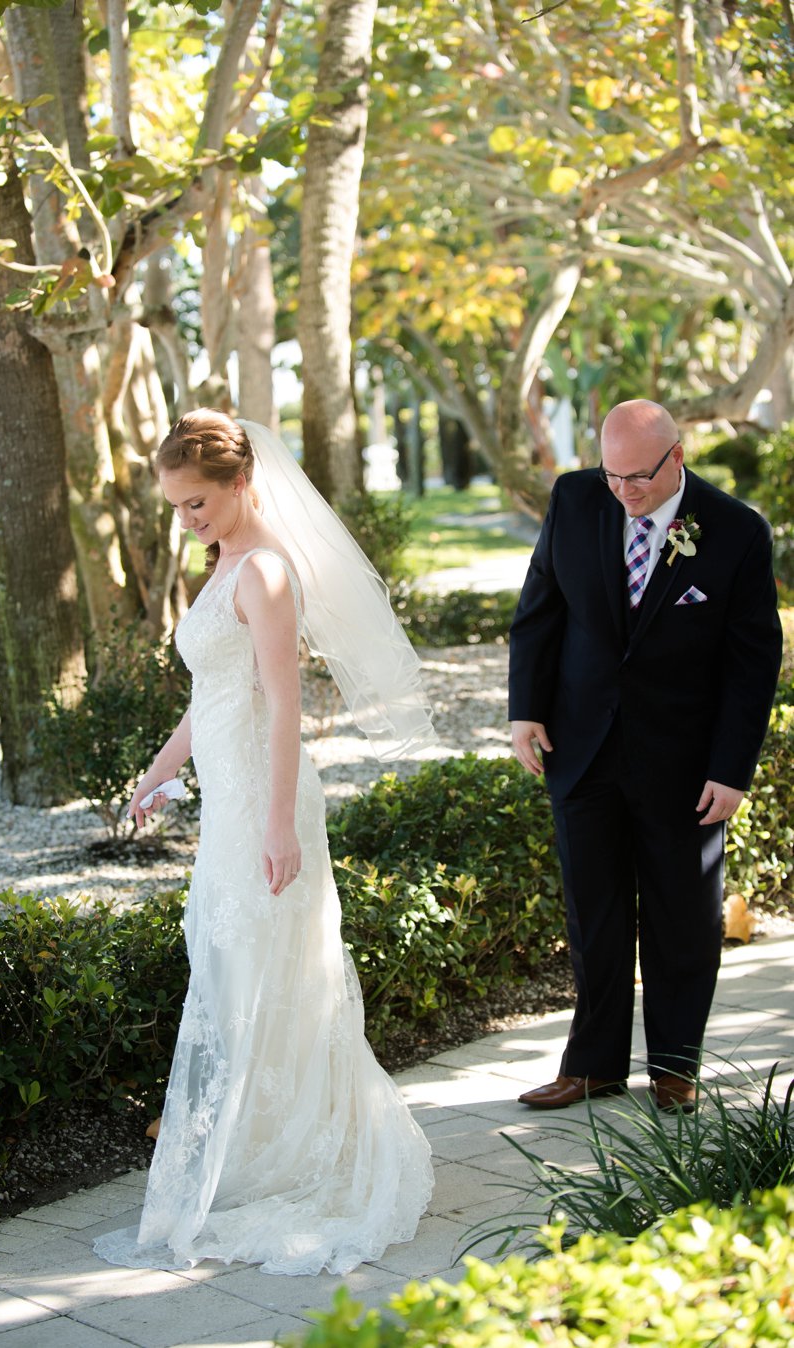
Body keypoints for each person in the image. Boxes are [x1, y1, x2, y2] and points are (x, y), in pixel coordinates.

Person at [94, 410, 436, 1276]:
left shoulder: (268, 573)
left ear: (242, 483)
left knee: (271, 971)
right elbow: (210, 696)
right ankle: (257, 1147)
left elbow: (284, 704)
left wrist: (279, 824)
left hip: (265, 802)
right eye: (177, 506)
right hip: (230, 801)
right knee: (235, 971)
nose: (188, 520)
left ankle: (308, 1150)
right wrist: (157, 770)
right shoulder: (224, 569)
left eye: (199, 502)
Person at [508, 399, 782, 1112]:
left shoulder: (737, 532)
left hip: (684, 761)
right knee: (592, 913)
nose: (624, 492)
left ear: (677, 457)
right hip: (581, 746)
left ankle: (674, 1068)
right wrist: (524, 711)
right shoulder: (574, 499)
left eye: (639, 478)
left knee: (683, 918)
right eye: (613, 476)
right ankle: (593, 1064)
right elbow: (540, 608)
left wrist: (732, 768)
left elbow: (752, 664)